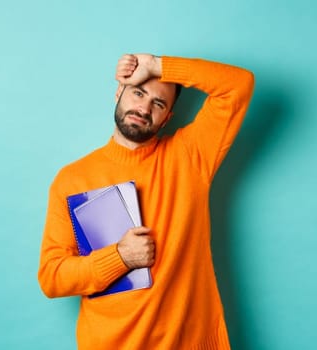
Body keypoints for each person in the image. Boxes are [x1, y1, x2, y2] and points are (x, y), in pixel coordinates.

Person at [37, 54, 254, 349]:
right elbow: (52, 277)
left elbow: (238, 85)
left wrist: (154, 65)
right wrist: (120, 257)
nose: (144, 107)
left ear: (169, 116)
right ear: (119, 92)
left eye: (159, 103)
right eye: (138, 92)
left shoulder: (190, 156)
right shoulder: (72, 179)